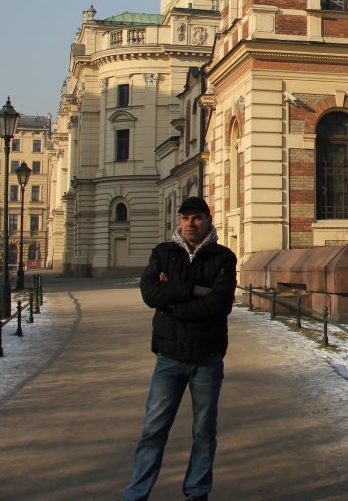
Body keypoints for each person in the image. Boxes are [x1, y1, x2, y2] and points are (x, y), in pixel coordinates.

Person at [124, 196, 237, 501]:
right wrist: (193, 290)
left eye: (197, 217)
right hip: (169, 356)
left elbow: (220, 304)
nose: (190, 223)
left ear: (208, 220)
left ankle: (197, 492)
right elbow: (150, 293)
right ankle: (136, 493)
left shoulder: (223, 257)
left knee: (203, 431)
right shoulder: (163, 253)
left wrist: (171, 302)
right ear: (178, 221)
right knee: (153, 429)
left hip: (206, 357)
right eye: (185, 218)